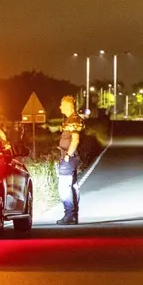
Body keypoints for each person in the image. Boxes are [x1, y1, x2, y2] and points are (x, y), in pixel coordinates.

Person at [57, 95, 84, 225]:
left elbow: (75, 139)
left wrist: (68, 154)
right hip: (70, 157)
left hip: (69, 158)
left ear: (68, 106)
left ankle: (69, 214)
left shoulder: (74, 119)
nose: (60, 107)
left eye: (62, 105)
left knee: (64, 187)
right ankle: (73, 215)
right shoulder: (70, 119)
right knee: (72, 186)